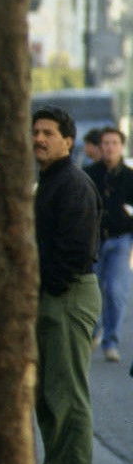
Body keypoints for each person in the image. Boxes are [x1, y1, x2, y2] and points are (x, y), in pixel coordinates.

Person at [33, 104, 102, 464]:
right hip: (55, 293)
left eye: (48, 133)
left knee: (67, 393)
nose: (39, 139)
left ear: (68, 141)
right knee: (48, 393)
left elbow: (77, 249)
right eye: (36, 132)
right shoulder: (51, 181)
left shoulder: (72, 184)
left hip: (68, 294)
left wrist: (51, 284)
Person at [89, 128, 133, 362]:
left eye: (114, 143)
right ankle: (94, 330)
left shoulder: (129, 177)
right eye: (105, 143)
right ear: (100, 146)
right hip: (93, 241)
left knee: (116, 291)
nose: (109, 147)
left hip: (120, 240)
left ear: (121, 146)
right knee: (92, 290)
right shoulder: (89, 175)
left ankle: (111, 341)